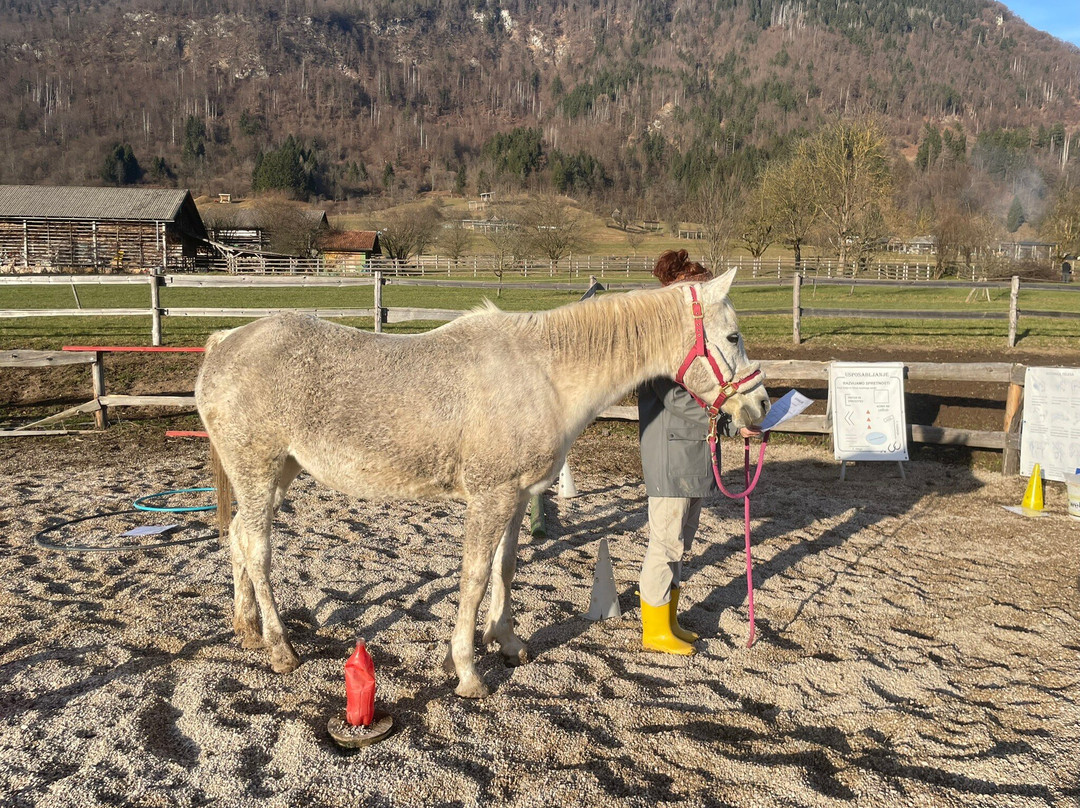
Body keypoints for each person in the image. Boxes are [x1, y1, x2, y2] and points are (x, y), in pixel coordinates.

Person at [637, 249, 759, 655]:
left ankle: (668, 619)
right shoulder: (657, 345)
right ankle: (653, 628)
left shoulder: (689, 343)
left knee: (682, 540)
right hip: (671, 456)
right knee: (666, 540)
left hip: (691, 454)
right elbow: (679, 402)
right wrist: (728, 421)